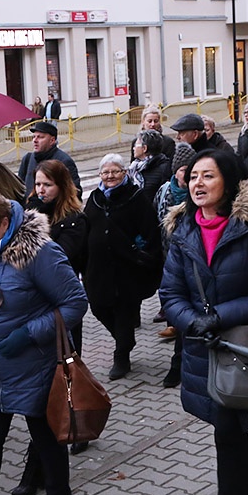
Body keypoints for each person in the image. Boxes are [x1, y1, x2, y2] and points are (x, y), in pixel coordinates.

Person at [159, 150, 248, 495]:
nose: (198, 184)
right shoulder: (182, 228)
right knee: (228, 430)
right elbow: (170, 292)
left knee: (228, 432)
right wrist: (191, 322)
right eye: (194, 176)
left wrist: (219, 316)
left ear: (228, 182)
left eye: (208, 176)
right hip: (203, 348)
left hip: (243, 347)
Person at [0, 188, 87, 495]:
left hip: (36, 370)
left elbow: (74, 303)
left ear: (5, 222)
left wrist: (28, 334)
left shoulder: (39, 252)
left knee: (48, 445)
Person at [14, 158, 90, 495]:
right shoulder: (30, 212)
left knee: (56, 394)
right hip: (33, 313)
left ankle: (38, 473)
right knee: (40, 400)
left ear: (62, 186)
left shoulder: (74, 220)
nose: (40, 190)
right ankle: (40, 470)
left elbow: (67, 259)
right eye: (37, 183)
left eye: (47, 185)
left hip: (62, 317)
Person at [84, 154, 163, 380]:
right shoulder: (95, 198)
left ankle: (122, 355)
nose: (110, 176)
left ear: (124, 173)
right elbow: (87, 227)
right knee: (98, 307)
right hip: (98, 269)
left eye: (115, 171)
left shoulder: (135, 197)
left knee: (124, 312)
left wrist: (142, 255)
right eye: (105, 172)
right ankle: (124, 338)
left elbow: (149, 230)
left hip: (127, 269)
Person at [154, 143, 197, 387]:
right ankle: (178, 366)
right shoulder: (164, 192)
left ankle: (181, 366)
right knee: (180, 319)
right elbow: (154, 221)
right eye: (183, 170)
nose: (188, 174)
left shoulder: (199, 196)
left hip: (196, 268)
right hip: (171, 262)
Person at [19, 121, 81, 197]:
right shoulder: (27, 159)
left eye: (40, 137)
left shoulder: (64, 161)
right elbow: (19, 188)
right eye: (34, 137)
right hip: (29, 207)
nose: (35, 140)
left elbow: (75, 192)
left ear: (52, 140)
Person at [129, 129, 172, 202]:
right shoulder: (135, 167)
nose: (134, 148)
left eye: (136, 145)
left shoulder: (164, 168)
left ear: (144, 148)